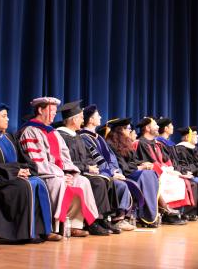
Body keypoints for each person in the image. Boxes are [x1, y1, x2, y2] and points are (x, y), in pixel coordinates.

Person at [0, 102, 60, 243]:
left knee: (39, 182)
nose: (8, 119)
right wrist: (15, 172)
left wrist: (26, 170)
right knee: (23, 186)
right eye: (4, 116)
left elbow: (25, 160)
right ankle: (22, 233)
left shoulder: (9, 138)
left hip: (10, 178)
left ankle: (42, 231)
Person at [17, 96, 100, 237]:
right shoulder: (30, 130)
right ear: (40, 110)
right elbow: (37, 161)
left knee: (82, 181)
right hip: (42, 173)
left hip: (60, 173)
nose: (55, 114)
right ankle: (52, 228)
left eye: (55, 111)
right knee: (59, 182)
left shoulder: (53, 131)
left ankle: (73, 224)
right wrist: (61, 174)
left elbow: (65, 156)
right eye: (52, 110)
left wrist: (69, 172)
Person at [56, 100, 120, 235]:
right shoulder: (61, 136)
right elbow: (65, 161)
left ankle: (104, 219)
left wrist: (92, 166)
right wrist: (87, 167)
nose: (82, 120)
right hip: (71, 172)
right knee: (98, 182)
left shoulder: (76, 136)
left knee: (106, 179)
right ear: (73, 120)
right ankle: (94, 222)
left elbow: (86, 157)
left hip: (82, 170)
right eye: (80, 117)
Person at [78, 105, 135, 231]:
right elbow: (96, 159)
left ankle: (117, 218)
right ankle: (115, 219)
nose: (101, 117)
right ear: (91, 120)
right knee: (120, 185)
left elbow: (111, 158)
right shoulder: (84, 138)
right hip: (97, 173)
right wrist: (110, 174)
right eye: (98, 115)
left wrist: (116, 171)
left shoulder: (99, 138)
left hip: (108, 173)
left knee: (123, 183)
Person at [135, 117, 193, 225]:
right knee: (169, 181)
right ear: (147, 128)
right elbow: (148, 162)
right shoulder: (141, 143)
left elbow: (165, 160)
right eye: (155, 125)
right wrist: (164, 170)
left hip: (162, 171)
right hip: (151, 172)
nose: (158, 127)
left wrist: (170, 170)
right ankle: (166, 213)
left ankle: (172, 212)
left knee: (178, 179)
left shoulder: (156, 143)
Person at [105, 118, 161, 227]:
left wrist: (144, 164)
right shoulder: (111, 144)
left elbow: (134, 160)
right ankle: (146, 215)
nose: (130, 131)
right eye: (128, 129)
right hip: (125, 173)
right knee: (145, 175)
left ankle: (147, 215)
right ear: (121, 130)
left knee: (150, 173)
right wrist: (139, 168)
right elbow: (122, 166)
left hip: (133, 171)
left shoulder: (126, 143)